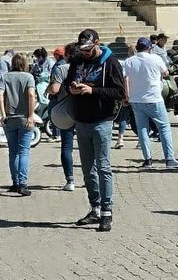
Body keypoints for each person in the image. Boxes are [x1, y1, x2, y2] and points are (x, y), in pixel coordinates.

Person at [68, 30, 124, 232]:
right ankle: (95, 208)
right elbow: (68, 82)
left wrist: (93, 90)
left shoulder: (111, 63)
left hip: (102, 120)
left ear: (97, 44)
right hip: (81, 120)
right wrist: (72, 88)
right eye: (82, 50)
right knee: (87, 169)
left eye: (89, 50)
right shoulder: (77, 60)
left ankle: (107, 212)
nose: (85, 53)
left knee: (103, 166)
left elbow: (119, 92)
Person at [123, 37, 178, 169]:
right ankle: (169, 159)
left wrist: (127, 96)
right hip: (153, 98)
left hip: (136, 100)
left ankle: (148, 160)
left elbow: (125, 79)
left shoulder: (129, 61)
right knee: (164, 128)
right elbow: (166, 72)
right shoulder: (155, 59)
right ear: (149, 48)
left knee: (142, 130)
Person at [0, 52, 36, 196]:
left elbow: (0, 94)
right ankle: (23, 184)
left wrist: (3, 114)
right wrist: (31, 115)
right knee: (24, 152)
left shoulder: (5, 77)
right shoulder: (28, 77)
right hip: (25, 117)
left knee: (12, 152)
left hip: (10, 118)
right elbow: (31, 95)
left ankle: (15, 182)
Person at [46, 45, 75, 189]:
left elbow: (54, 89)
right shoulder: (88, 67)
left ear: (67, 55)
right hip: (87, 111)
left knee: (67, 146)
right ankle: (92, 176)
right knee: (89, 147)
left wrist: (48, 88)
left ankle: (70, 180)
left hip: (67, 111)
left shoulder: (62, 69)